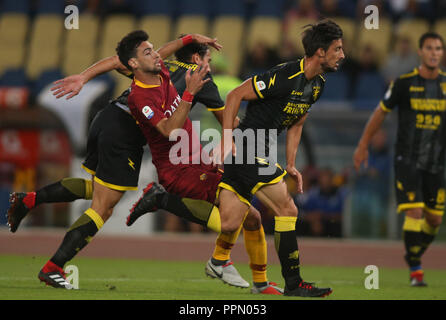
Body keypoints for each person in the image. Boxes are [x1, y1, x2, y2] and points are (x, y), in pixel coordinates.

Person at [8, 32, 281, 294]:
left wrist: (84, 76)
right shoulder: (167, 79)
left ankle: (29, 200)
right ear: (198, 59)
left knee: (98, 190)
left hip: (112, 119)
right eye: (208, 58)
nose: (154, 54)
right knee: (103, 207)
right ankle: (54, 265)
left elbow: (121, 60)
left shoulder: (161, 65)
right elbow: (177, 124)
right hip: (122, 131)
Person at [132, 19, 344, 297]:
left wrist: (291, 163)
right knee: (287, 209)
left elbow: (298, 121)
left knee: (232, 222)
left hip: (256, 149)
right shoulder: (285, 76)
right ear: (320, 52)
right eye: (337, 49)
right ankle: (294, 284)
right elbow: (234, 95)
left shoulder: (317, 85)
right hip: (246, 147)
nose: (342, 55)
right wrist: (229, 137)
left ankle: (206, 246)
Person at [353, 32, 446, 286]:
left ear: (442, 53)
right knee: (415, 212)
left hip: (436, 163)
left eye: (438, 48)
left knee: (434, 219)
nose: (434, 52)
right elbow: (379, 113)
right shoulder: (403, 83)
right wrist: (363, 144)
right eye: (429, 48)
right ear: (420, 51)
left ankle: (412, 252)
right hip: (408, 160)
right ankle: (416, 270)